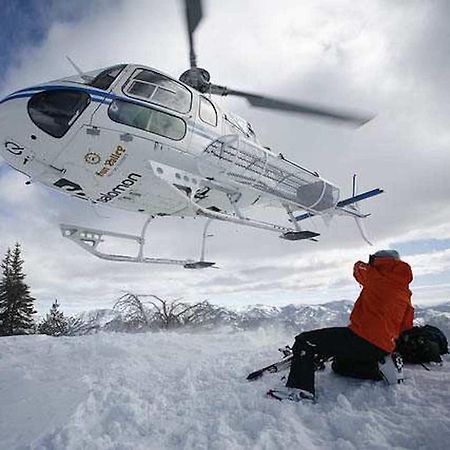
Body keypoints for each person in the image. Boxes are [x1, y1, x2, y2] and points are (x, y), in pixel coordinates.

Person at [267, 249, 414, 402]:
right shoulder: (405, 291)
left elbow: (358, 268)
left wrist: (372, 265)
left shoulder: (376, 277)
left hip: (361, 337)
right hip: (382, 347)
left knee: (305, 341)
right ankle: (379, 368)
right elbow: (406, 325)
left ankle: (300, 390)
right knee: (339, 366)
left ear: (380, 261)